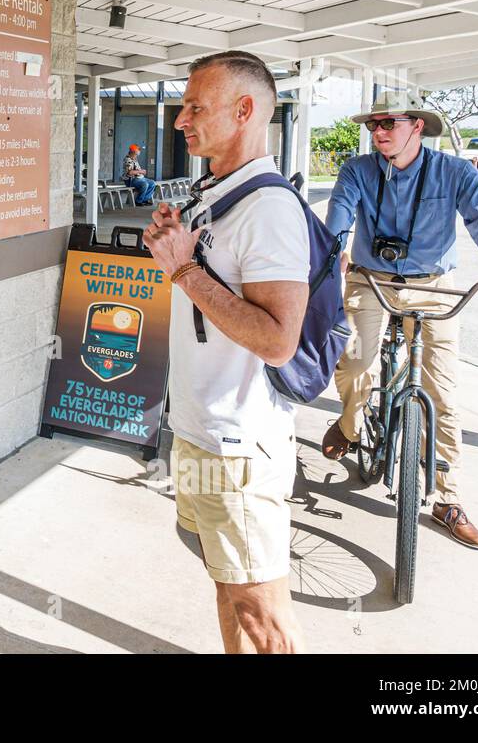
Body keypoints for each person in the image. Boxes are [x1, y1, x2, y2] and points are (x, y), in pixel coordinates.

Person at [143, 50, 308, 654]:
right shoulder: (215, 192)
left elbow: (277, 339)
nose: (180, 120)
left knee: (262, 613)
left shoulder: (268, 208)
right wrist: (173, 245)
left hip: (239, 444)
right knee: (227, 582)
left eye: (195, 107)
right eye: (183, 105)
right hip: (199, 433)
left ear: (244, 111)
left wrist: (184, 269)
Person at [321, 93, 478, 550]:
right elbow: (339, 216)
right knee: (355, 362)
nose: (378, 131)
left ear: (417, 126)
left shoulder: (453, 172)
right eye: (373, 124)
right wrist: (333, 251)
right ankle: (352, 424)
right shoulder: (357, 170)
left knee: (443, 391)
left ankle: (447, 500)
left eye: (388, 123)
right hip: (370, 279)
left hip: (434, 286)